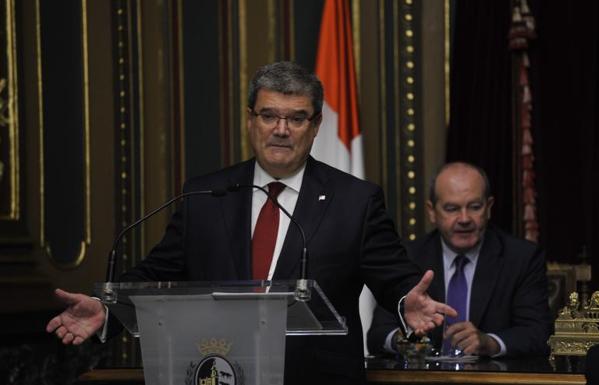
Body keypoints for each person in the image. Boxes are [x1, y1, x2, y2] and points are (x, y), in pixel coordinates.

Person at [46, 62, 455, 385]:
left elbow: (393, 276)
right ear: (250, 119)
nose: (281, 130)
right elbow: (157, 274)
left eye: (296, 119)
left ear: (314, 127)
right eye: (269, 116)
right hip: (219, 373)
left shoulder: (355, 200)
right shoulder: (203, 196)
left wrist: (407, 302)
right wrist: (107, 308)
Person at [367, 162, 553, 357]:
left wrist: (490, 343)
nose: (464, 219)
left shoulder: (522, 258)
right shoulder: (407, 257)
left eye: (474, 207)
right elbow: (378, 335)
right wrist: (403, 339)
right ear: (432, 211)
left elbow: (539, 333)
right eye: (452, 208)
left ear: (488, 208)